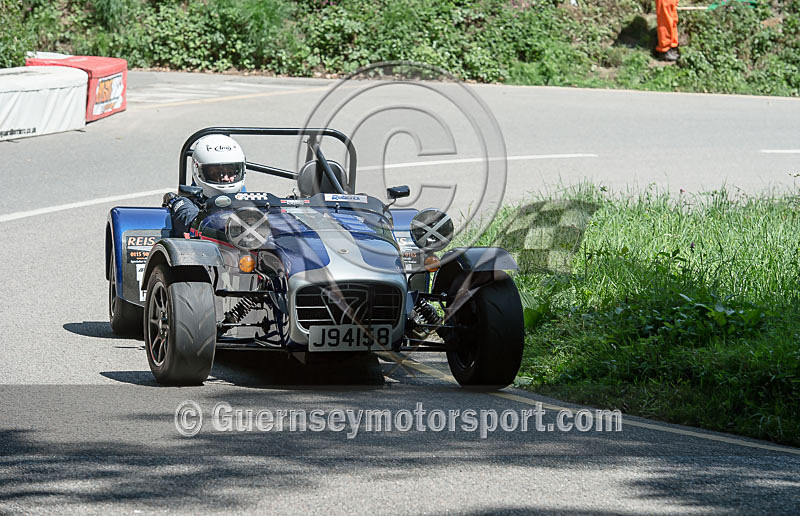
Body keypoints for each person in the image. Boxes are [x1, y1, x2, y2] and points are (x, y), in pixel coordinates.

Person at [163, 134, 246, 235]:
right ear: (198, 171)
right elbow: (189, 219)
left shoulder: (247, 199)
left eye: (231, 172)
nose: (225, 178)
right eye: (217, 173)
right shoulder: (186, 204)